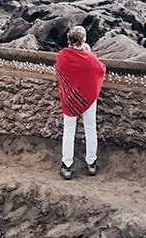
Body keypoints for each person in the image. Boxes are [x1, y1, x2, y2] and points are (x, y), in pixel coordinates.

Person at [55, 25, 106, 180]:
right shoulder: (90, 58)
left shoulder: (63, 56)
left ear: (69, 40)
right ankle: (91, 163)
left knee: (69, 131)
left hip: (70, 98)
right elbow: (101, 70)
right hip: (88, 98)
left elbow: (59, 70)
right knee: (90, 129)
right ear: (83, 40)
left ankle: (67, 166)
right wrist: (88, 53)